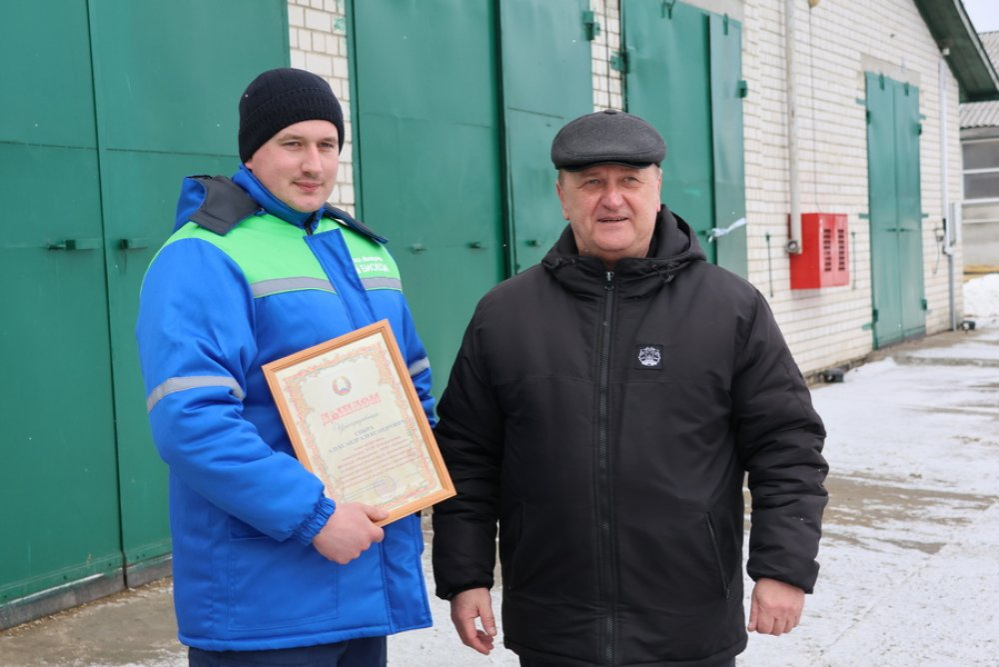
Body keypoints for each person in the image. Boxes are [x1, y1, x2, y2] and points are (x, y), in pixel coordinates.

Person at [431, 109, 829, 666]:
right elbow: (466, 456)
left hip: (688, 627)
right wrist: (466, 575)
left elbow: (787, 447)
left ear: (657, 189)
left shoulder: (730, 308)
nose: (612, 199)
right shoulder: (506, 314)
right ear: (562, 196)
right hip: (553, 627)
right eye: (591, 183)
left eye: (629, 181)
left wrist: (783, 567)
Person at [136, 68, 435, 667]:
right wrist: (315, 517)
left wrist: (411, 477)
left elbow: (412, 387)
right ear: (252, 151)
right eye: (292, 144)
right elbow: (192, 421)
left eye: (327, 145)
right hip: (265, 601)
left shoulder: (364, 250)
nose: (313, 165)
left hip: (362, 578)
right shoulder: (205, 254)